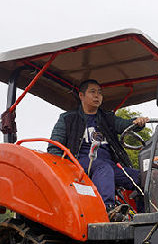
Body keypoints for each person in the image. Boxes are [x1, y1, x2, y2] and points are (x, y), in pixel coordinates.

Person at [47, 79, 148, 219]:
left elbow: (124, 124)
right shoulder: (68, 119)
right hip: (80, 164)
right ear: (81, 96)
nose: (97, 96)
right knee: (103, 168)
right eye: (92, 92)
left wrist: (138, 122)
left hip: (110, 165)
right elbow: (54, 148)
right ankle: (108, 210)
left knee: (145, 177)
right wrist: (62, 172)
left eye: (100, 93)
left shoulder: (107, 117)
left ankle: (145, 216)